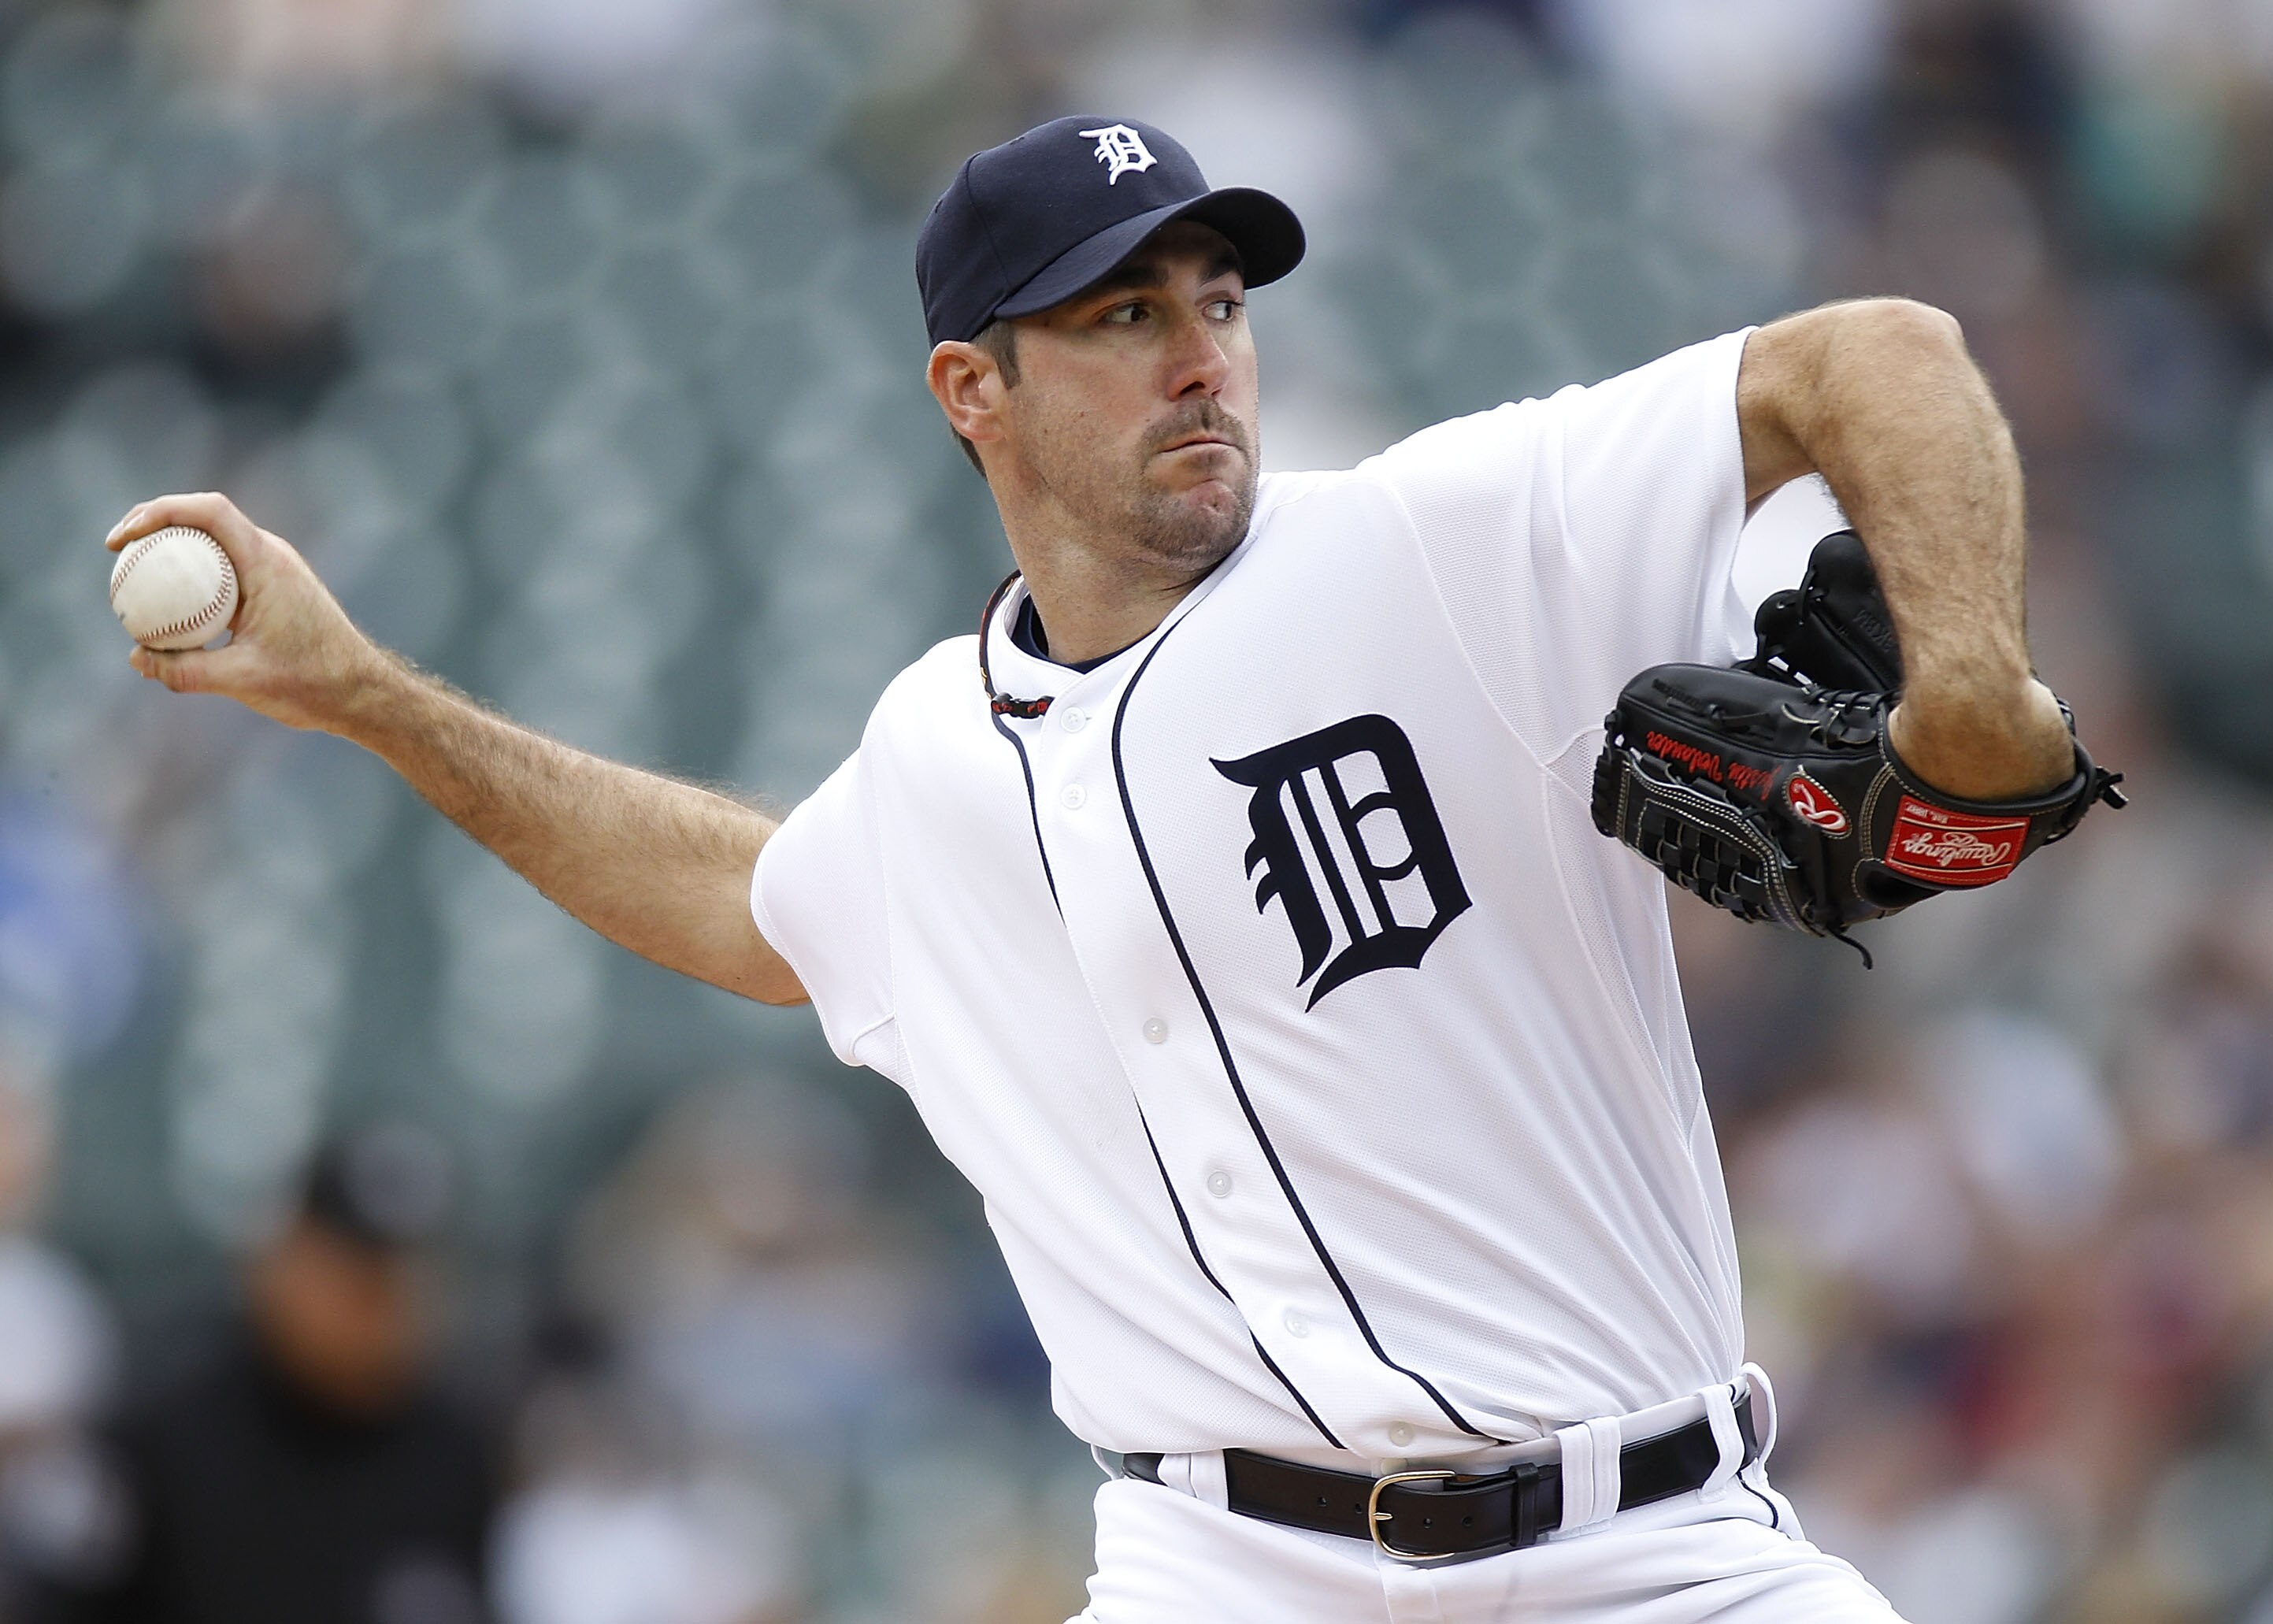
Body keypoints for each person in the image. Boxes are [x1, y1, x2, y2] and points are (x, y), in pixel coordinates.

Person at [105, 116, 2076, 1620]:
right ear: (972, 387)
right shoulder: (931, 757)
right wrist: (365, 692)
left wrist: (1971, 684)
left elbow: (1874, 359)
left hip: (1651, 1552)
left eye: (1217, 302)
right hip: (1229, 1569)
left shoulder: (1432, 542)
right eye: (1122, 315)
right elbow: (749, 900)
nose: (1199, 356)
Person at [51, 1129, 499, 1624]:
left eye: (403, 1283)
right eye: (356, 1282)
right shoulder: (162, 1435)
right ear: (281, 1261)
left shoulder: (459, 1454)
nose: (381, 1312)